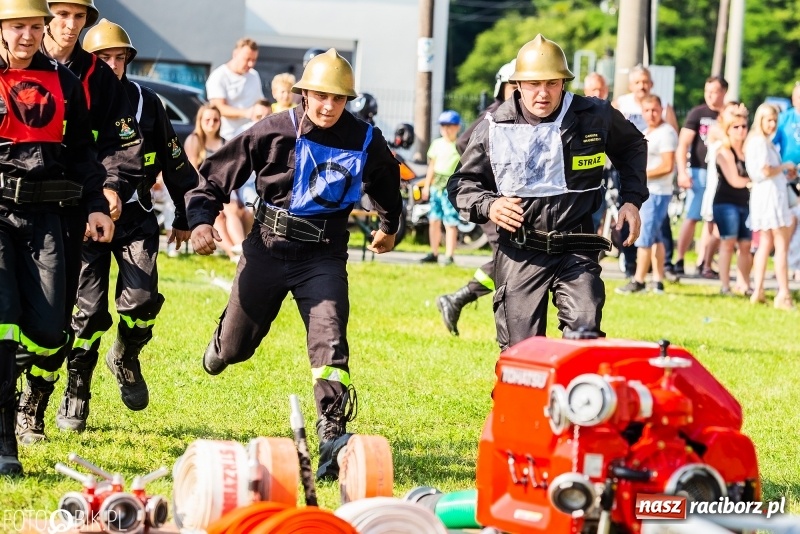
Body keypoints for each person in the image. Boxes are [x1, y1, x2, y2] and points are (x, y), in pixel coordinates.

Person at [187, 49, 402, 480]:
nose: (327, 106)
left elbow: (385, 178)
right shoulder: (272, 130)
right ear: (303, 94)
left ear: (348, 100)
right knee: (236, 349)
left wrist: (390, 223)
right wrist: (199, 221)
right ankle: (224, 339)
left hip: (323, 255)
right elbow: (214, 176)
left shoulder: (364, 138)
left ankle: (331, 430)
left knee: (329, 336)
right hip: (266, 247)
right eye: (319, 96)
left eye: (337, 99)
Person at [43, 19, 199, 433]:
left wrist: (187, 216)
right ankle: (77, 390)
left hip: (135, 218)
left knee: (142, 300)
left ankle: (126, 356)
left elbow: (175, 162)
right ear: (89, 62)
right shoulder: (72, 97)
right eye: (103, 58)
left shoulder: (147, 104)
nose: (113, 65)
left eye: (120, 57)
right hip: (86, 219)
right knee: (88, 314)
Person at [448, 34, 647, 347]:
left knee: (584, 335)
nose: (543, 93)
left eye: (552, 83)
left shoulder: (594, 116)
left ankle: (570, 396)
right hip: (520, 250)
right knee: (521, 350)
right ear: (519, 85)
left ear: (563, 83)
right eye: (534, 84)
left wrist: (632, 200)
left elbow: (634, 144)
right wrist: (490, 206)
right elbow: (461, 183)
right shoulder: (495, 126)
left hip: (577, 246)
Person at [15, 0, 144, 445]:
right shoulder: (17, 60)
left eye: (78, 17)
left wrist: (107, 190)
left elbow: (120, 142)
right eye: (61, 16)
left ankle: (34, 402)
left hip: (73, 210)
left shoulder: (98, 77)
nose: (69, 26)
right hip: (13, 206)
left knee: (56, 319)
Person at [0, 0, 113, 475]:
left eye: (34, 26)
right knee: (3, 321)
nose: (28, 35)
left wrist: (95, 205)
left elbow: (84, 152)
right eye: (18, 27)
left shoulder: (64, 81)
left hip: (48, 217)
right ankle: (6, 438)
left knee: (49, 330)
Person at [436, 59, 515, 336]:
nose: (519, 90)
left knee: (508, 259)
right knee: (508, 258)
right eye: (513, 85)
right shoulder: (494, 114)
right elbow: (462, 142)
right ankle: (463, 301)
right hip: (490, 200)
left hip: (510, 200)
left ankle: (458, 299)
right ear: (501, 88)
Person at [616, 95, 677, 294]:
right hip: (650, 190)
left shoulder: (666, 132)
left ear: (662, 110)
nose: (652, 114)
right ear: (642, 112)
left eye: (655, 110)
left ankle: (639, 280)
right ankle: (658, 279)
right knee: (657, 238)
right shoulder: (646, 131)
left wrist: (640, 174)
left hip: (657, 192)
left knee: (644, 238)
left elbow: (668, 166)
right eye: (647, 110)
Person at [674, 76, 728, 278]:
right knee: (692, 216)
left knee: (711, 219)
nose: (711, 96)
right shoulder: (698, 113)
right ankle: (679, 258)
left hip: (719, 172)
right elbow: (683, 144)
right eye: (708, 91)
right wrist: (682, 171)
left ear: (723, 92)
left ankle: (703, 261)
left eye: (715, 91)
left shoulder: (727, 114)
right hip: (699, 171)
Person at [746, 103, 796, 308]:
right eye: (769, 119)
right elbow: (765, 170)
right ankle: (783, 293)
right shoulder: (759, 141)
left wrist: (783, 171)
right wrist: (785, 166)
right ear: (761, 120)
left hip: (766, 194)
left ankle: (758, 290)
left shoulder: (761, 141)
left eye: (775, 120)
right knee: (780, 244)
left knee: (765, 244)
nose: (772, 123)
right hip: (770, 196)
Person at [711, 110, 753, 298]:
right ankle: (725, 285)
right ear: (728, 130)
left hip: (745, 202)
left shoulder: (748, 151)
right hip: (726, 203)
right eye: (736, 127)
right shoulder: (724, 151)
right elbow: (735, 180)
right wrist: (758, 181)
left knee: (746, 245)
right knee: (728, 243)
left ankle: (743, 284)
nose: (740, 130)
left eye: (744, 126)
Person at [419, 110, 462, 266]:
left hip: (450, 186)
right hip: (436, 186)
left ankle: (449, 254)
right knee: (434, 220)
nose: (445, 129)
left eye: (449, 126)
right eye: (443, 126)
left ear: (457, 127)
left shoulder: (459, 145)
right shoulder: (437, 144)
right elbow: (432, 166)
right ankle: (434, 252)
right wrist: (426, 185)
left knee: (450, 221)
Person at [205, 37, 265, 140]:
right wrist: (247, 113)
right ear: (235, 54)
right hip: (226, 138)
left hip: (251, 136)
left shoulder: (254, 75)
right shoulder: (219, 76)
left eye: (254, 60)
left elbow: (260, 102)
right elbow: (218, 108)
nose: (251, 64)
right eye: (247, 59)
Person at [774, 84, 800, 167]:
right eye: (799, 97)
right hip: (787, 173)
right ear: (793, 99)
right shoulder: (783, 118)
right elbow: (771, 143)